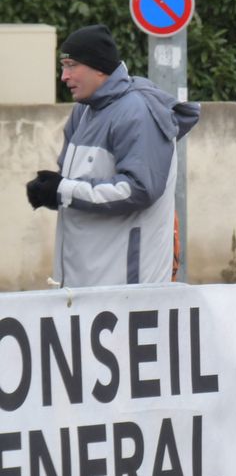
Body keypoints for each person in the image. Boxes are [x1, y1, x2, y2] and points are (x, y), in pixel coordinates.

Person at [25, 24, 199, 287]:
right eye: (63, 66)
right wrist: (51, 191)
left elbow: (140, 189)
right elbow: (75, 184)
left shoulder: (137, 112)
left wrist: (64, 191)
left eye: (71, 65)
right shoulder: (83, 111)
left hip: (126, 288)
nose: (64, 76)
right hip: (84, 284)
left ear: (99, 67)